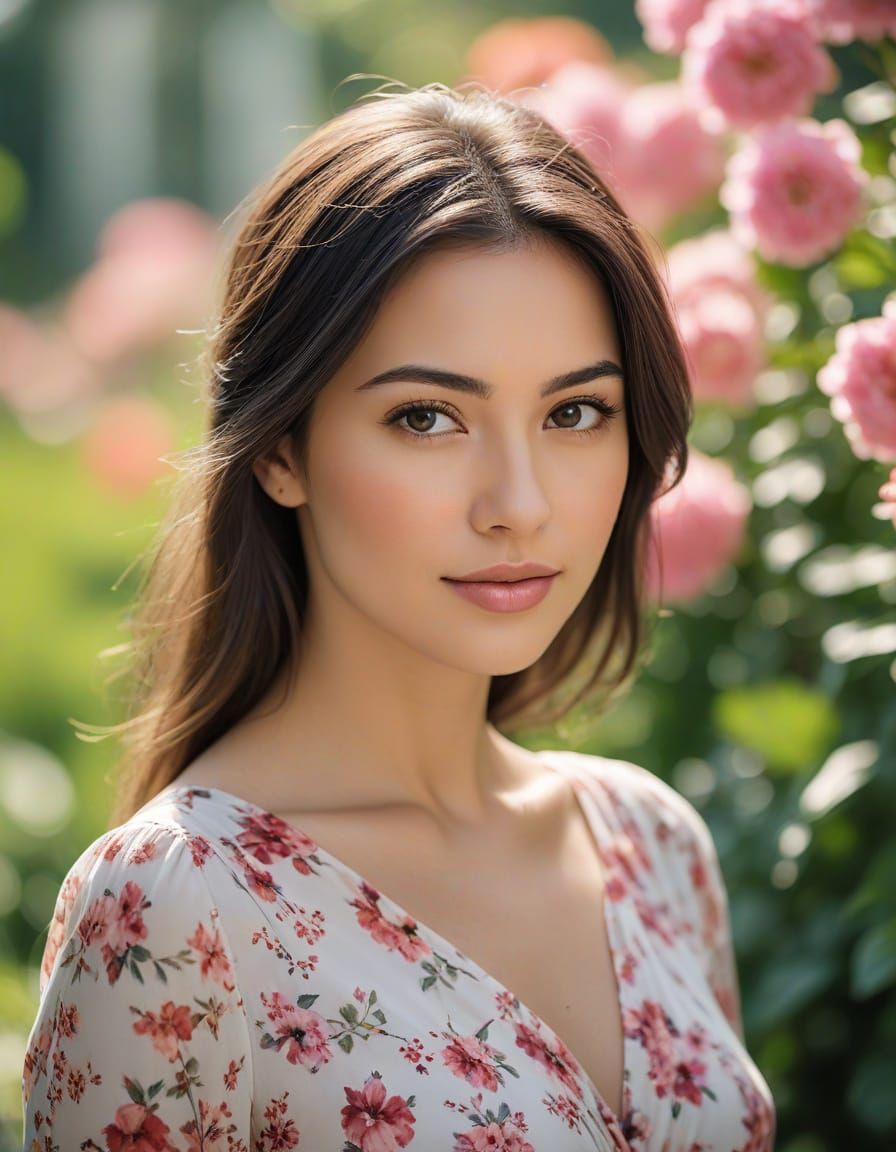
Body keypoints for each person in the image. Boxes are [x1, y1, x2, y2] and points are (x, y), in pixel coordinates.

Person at [21, 82, 776, 1151]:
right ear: (281, 449)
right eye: (427, 417)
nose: (518, 504)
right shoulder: (178, 904)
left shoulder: (648, 843)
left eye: (575, 412)